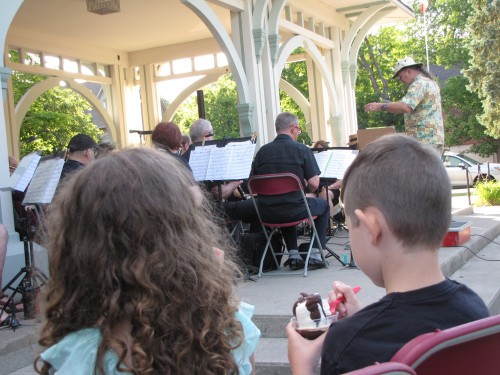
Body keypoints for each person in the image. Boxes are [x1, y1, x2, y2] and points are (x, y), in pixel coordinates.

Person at [35, 148, 260, 374]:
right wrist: (209, 290)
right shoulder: (227, 327)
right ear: (188, 236)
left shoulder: (80, 356)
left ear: (76, 248)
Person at [286, 134, 489, 375]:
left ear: (372, 228)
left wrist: (302, 369)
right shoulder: (474, 308)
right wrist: (362, 319)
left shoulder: (348, 344)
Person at [251, 112, 329, 270]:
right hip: (295, 209)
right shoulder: (301, 149)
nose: (298, 133)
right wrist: (304, 190)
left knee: (284, 201)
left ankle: (294, 255)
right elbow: (314, 183)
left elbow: (251, 185)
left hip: (267, 212)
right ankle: (314, 254)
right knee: (324, 206)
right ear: (293, 129)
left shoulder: (262, 152)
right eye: (298, 130)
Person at [364, 57, 445, 156]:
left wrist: (381, 106)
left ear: (408, 71)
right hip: (433, 139)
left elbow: (405, 106)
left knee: (419, 171)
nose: (400, 81)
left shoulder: (419, 84)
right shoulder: (430, 83)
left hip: (423, 141)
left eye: (400, 77)